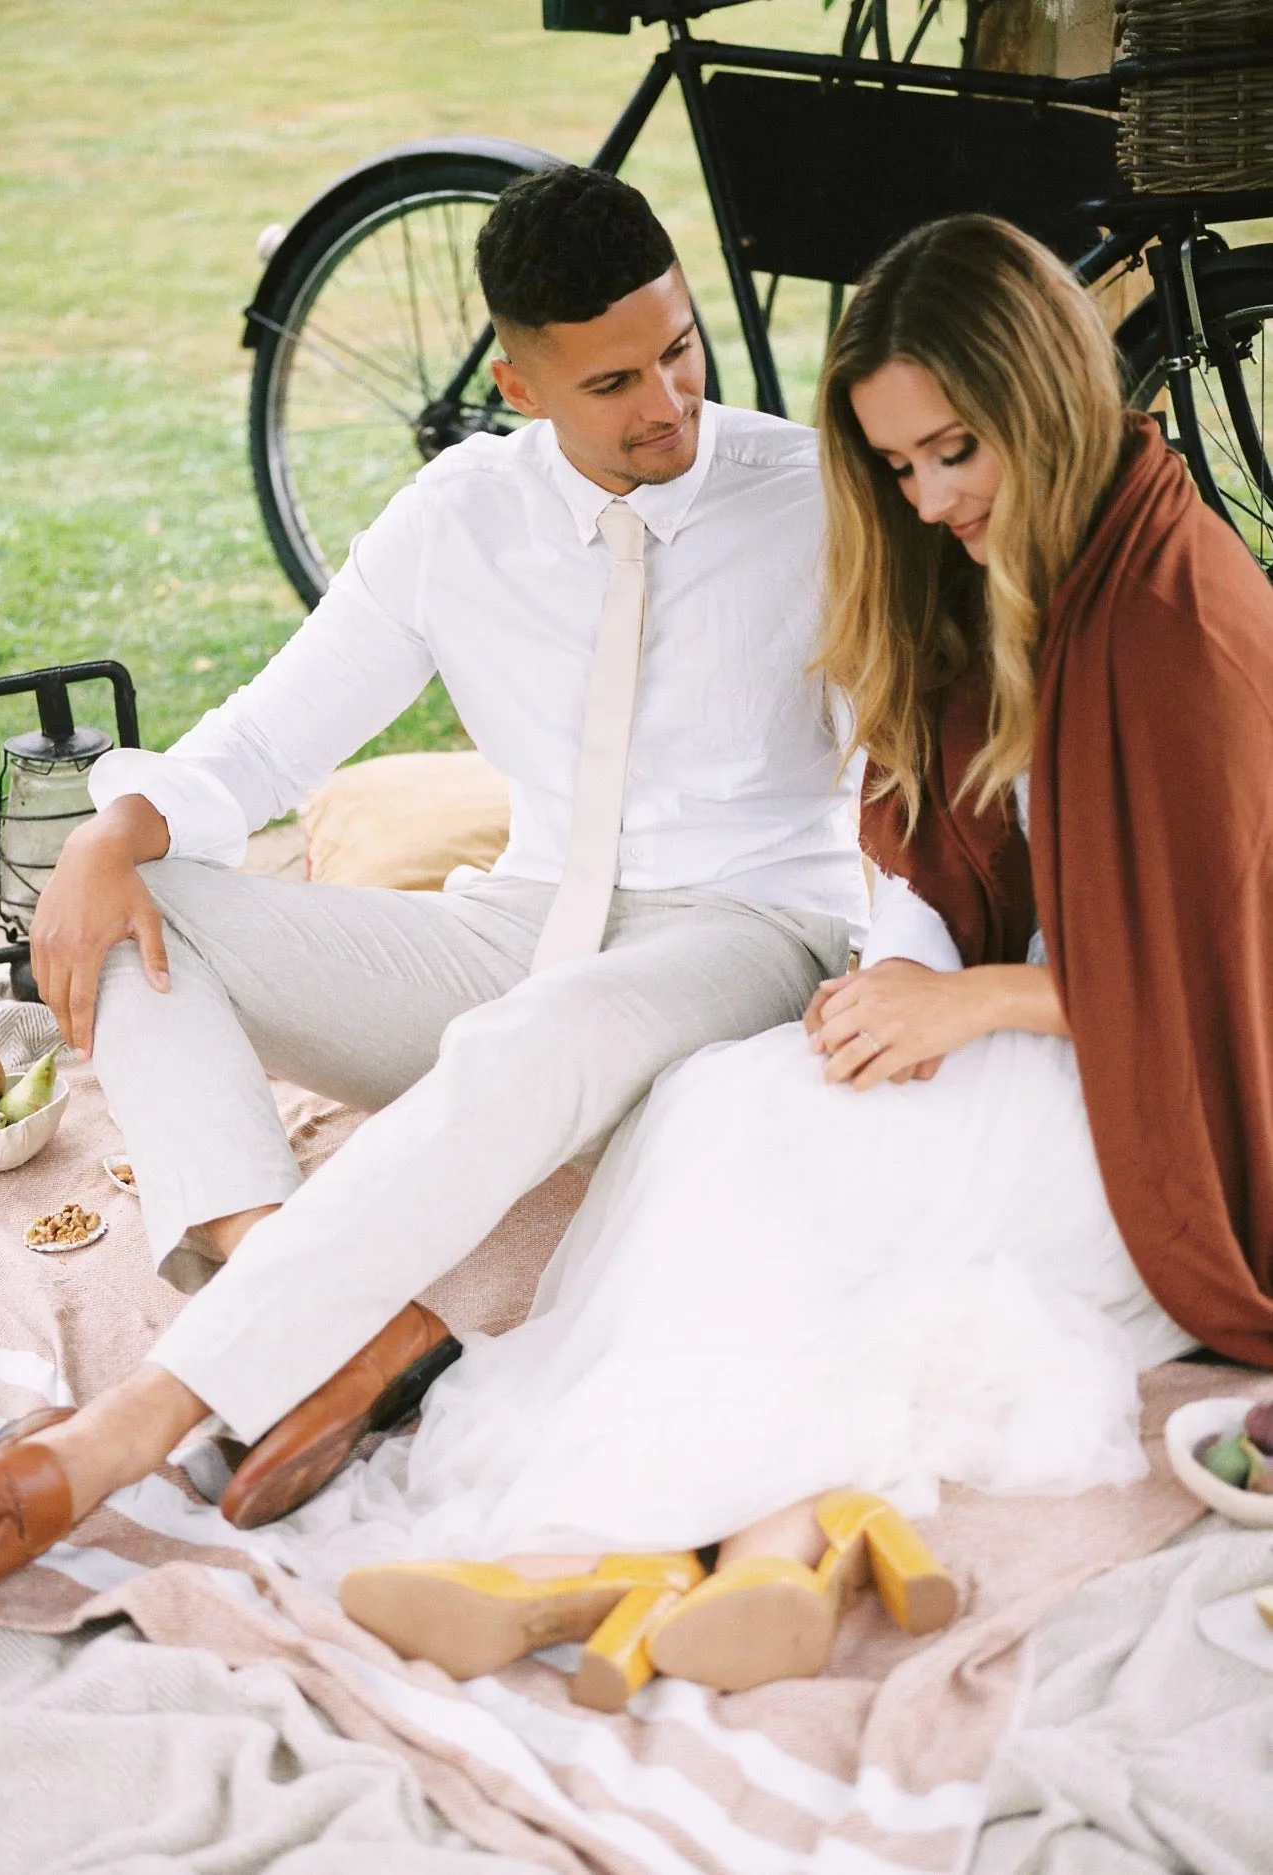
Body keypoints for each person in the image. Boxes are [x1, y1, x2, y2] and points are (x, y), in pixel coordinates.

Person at [261, 210, 1273, 1708]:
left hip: (1143, 1097)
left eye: (955, 452)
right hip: (1023, 1019)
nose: (929, 500)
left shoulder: (1182, 617)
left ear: (1045, 399)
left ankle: (584, 1555)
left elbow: (1223, 965)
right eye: (898, 465)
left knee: (831, 1209)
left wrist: (976, 1000)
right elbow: (936, 826)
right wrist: (900, 974)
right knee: (729, 1115)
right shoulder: (1006, 558)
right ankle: (750, 1551)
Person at [0, 168, 870, 1615]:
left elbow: (939, 778)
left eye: (682, 348)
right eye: (614, 380)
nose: (670, 405)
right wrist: (106, 836)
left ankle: (124, 1431)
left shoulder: (821, 496)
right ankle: (321, 1304)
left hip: (747, 935)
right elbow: (265, 740)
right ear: (515, 382)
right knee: (158, 903)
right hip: (514, 926)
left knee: (536, 1039)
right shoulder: (461, 515)